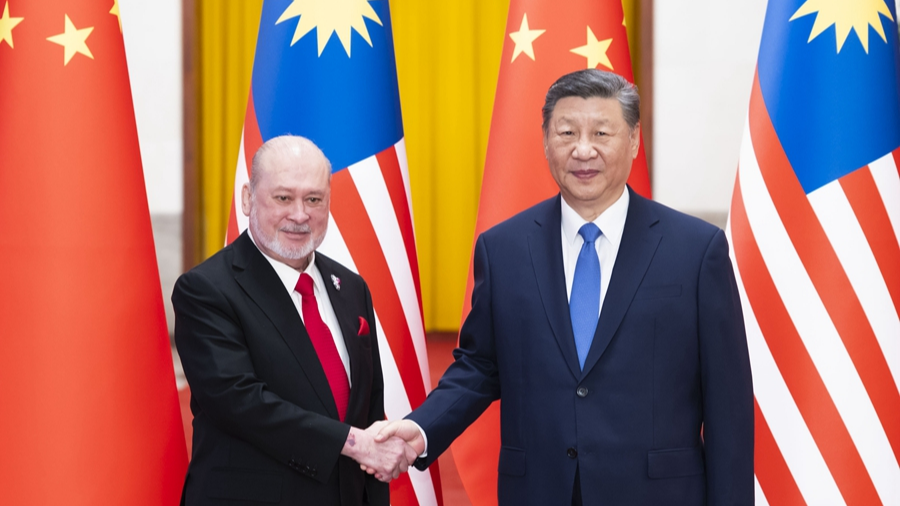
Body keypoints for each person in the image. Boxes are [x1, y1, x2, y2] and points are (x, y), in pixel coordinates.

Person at [374, 69, 754, 505]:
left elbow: (728, 406)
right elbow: (479, 366)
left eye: (602, 132)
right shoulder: (503, 249)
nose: (583, 149)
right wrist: (422, 429)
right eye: (567, 131)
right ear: (545, 141)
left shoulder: (694, 250)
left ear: (633, 141)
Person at [173, 135, 416, 506]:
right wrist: (354, 444)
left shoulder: (351, 288)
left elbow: (368, 409)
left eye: (314, 199)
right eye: (283, 198)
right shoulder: (206, 290)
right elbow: (242, 404)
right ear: (247, 198)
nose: (300, 215)